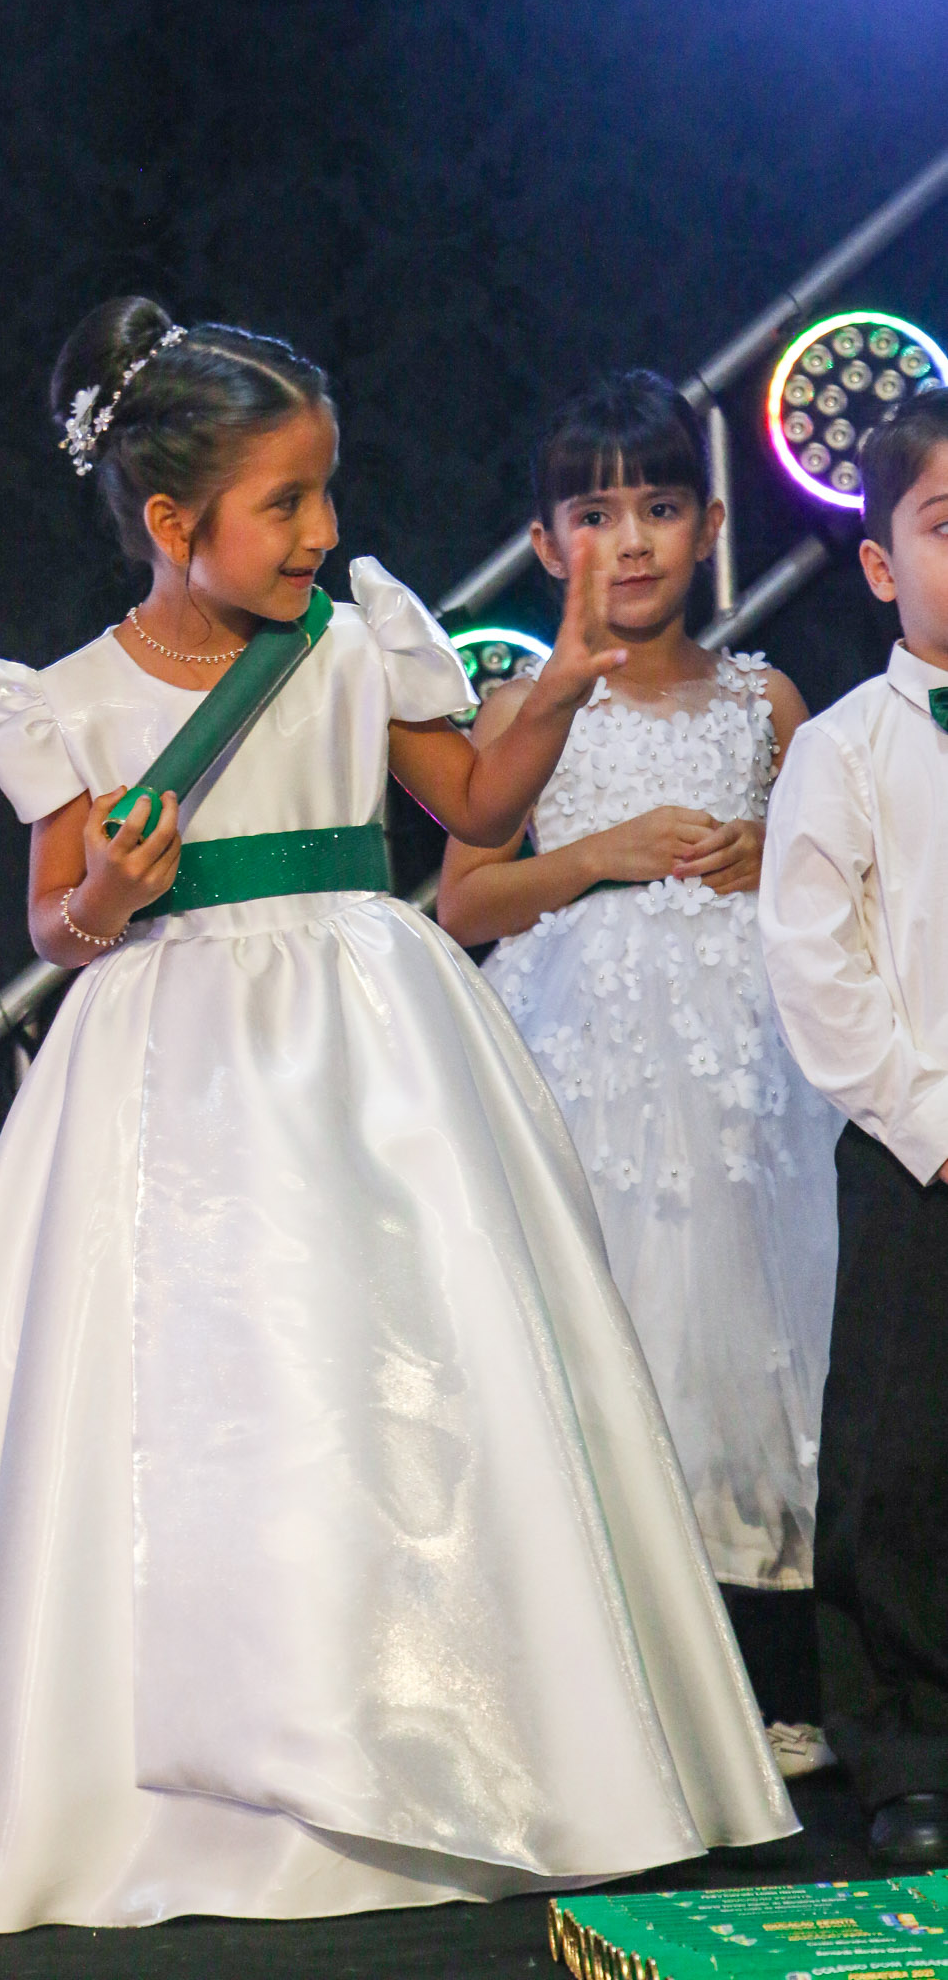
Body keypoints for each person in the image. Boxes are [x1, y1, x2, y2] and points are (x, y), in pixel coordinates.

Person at [0, 301, 793, 1937]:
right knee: (200, 1396)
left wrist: (558, 685)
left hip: (369, 1055)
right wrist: (104, 898)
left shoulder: (352, 645)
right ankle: (200, 1793)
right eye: (284, 503)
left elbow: (473, 803)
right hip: (171, 1066)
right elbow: (55, 921)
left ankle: (475, 1745)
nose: (322, 530)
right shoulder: (65, 700)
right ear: (169, 520)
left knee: (400, 1372)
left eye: (324, 492)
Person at [437, 373, 842, 1779]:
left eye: (661, 508)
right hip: (586, 1070)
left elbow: (833, 878)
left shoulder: (763, 699)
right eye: (597, 514)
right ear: (546, 543)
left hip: (747, 1079)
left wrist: (767, 855)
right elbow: (463, 900)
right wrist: (597, 857)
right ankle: (615, 1693)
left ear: (710, 528)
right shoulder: (519, 704)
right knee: (616, 1331)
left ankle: (771, 1676)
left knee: (752, 1345)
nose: (631, 541)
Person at [760, 385, 948, 1867]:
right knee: (898, 1457)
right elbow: (816, 968)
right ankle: (907, 1751)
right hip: (917, 1154)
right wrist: (930, 1121)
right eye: (947, 525)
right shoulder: (843, 749)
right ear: (882, 563)